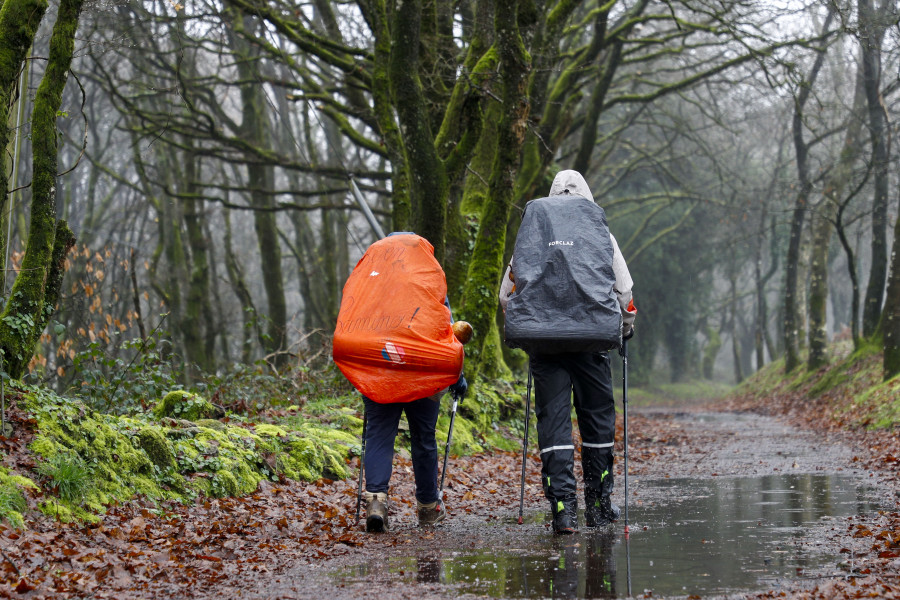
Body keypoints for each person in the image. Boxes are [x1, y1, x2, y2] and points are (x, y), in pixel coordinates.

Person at [500, 170, 636, 534]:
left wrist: (531, 327)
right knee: (597, 418)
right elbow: (623, 293)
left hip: (544, 345)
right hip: (591, 340)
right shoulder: (600, 233)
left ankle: (562, 509)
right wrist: (624, 328)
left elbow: (505, 295)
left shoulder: (532, 235)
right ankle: (598, 504)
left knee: (554, 422)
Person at [333, 232, 468, 533]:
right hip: (423, 374)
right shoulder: (427, 279)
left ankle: (376, 502)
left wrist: (361, 367)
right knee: (424, 438)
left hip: (379, 370)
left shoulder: (370, 281)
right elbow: (443, 328)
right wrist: (457, 375)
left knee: (379, 433)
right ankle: (428, 508)